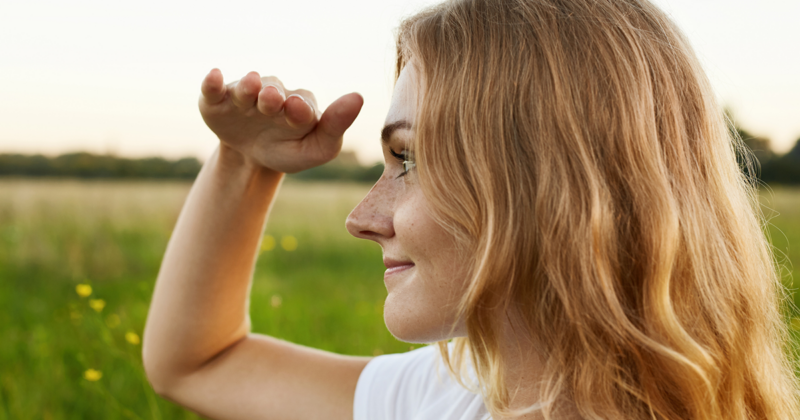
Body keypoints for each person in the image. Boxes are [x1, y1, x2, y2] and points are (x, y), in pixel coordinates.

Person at [142, 0, 800, 418]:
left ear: (551, 188)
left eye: (413, 161)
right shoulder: (449, 395)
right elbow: (199, 363)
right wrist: (244, 161)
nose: (362, 218)